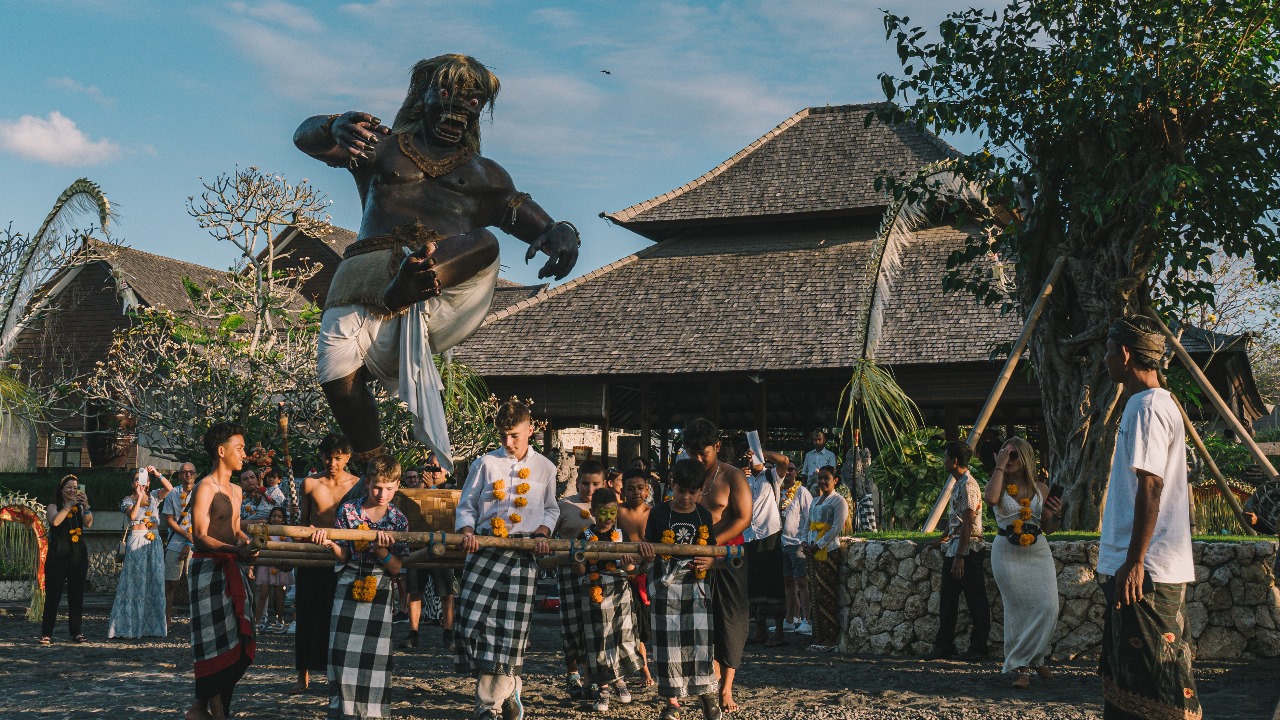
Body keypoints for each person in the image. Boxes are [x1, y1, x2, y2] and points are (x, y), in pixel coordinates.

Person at [295, 54, 580, 469]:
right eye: (447, 93)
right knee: (335, 374)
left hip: (438, 283)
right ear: (422, 97)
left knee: (484, 242)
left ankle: (414, 280)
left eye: (472, 100)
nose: (459, 106)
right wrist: (332, 124)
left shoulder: (485, 174)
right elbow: (306, 139)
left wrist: (562, 232)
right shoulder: (381, 147)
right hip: (365, 275)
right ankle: (373, 459)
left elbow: (528, 218)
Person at [1097, 316, 1199, 719]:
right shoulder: (1160, 404)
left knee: (1153, 682)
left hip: (1146, 567)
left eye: (1107, 350)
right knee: (1139, 677)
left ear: (1124, 353)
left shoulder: (1146, 406)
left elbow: (1151, 485)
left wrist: (1136, 561)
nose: (1105, 359)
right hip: (1150, 564)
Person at [453, 400, 558, 720]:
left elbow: (551, 508)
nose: (508, 443)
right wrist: (468, 531)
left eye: (514, 435)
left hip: (524, 554)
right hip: (484, 550)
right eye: (503, 437)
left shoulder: (546, 468)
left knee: (508, 633)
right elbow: (467, 505)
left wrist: (543, 531)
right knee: (470, 624)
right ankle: (511, 684)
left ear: (530, 429)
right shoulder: (484, 463)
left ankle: (489, 706)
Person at [309, 454, 409, 719]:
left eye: (388, 488)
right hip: (349, 581)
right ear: (367, 483)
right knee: (341, 650)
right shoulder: (349, 510)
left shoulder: (398, 519)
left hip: (381, 585)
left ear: (397, 485)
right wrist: (329, 542)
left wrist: (382, 552)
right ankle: (343, 710)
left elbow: (397, 568)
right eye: (377, 486)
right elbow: (343, 554)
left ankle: (373, 712)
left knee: (375, 658)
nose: (382, 493)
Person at [638, 458, 721, 720]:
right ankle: (672, 702)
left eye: (692, 492)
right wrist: (648, 553)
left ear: (701, 490)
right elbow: (647, 549)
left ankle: (707, 696)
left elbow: (714, 551)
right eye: (681, 490)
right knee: (667, 643)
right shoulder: (658, 513)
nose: (685, 497)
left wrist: (710, 559)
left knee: (700, 643)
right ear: (672, 485)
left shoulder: (703, 515)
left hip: (696, 585)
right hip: (665, 585)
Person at [187, 422, 258, 720]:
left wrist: (249, 544)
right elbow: (200, 534)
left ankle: (199, 708)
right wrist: (235, 550)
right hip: (208, 569)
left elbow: (235, 530)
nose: (244, 454)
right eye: (239, 448)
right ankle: (216, 712)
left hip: (233, 567)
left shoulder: (238, 490)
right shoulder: (205, 486)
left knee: (238, 640)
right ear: (221, 451)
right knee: (213, 642)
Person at [684, 417, 751, 713]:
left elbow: (742, 518)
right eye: (692, 453)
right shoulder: (687, 477)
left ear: (717, 447)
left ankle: (726, 688)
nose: (698, 459)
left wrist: (713, 546)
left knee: (730, 622)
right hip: (694, 557)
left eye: (704, 453)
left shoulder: (733, 476)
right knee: (701, 624)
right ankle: (708, 685)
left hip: (728, 557)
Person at [984, 437, 1062, 688]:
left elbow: (1048, 527)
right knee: (1018, 611)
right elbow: (991, 499)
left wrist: (1058, 515)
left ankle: (1037, 657)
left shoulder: (1040, 487)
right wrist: (999, 465)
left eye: (1014, 455)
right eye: (1004, 453)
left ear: (1026, 457)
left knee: (1049, 606)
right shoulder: (1000, 483)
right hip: (1007, 552)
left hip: (1037, 551)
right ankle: (1023, 668)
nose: (1008, 458)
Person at [294, 433, 362, 693]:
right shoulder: (310, 483)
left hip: (344, 554)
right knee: (307, 614)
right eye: (327, 457)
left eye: (337, 458)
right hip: (313, 554)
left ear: (346, 457)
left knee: (341, 616)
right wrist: (306, 536)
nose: (332, 463)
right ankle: (303, 675)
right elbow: (304, 522)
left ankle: (340, 675)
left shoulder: (358, 484)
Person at [922, 441, 991, 661]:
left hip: (967, 551)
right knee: (948, 601)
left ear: (954, 460)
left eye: (945, 457)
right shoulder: (959, 484)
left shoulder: (969, 486)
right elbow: (957, 521)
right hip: (955, 548)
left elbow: (969, 522)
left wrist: (960, 556)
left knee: (975, 601)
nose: (943, 461)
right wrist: (940, 540)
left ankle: (979, 647)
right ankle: (945, 645)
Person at [575, 487, 641, 712]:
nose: (607, 518)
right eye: (602, 512)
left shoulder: (622, 535)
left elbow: (632, 569)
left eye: (612, 513)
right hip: (593, 590)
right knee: (599, 638)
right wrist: (578, 559)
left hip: (619, 589)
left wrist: (627, 562)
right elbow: (580, 570)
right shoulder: (583, 536)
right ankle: (603, 686)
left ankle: (620, 680)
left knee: (622, 634)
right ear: (593, 511)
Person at [551, 459, 607, 699]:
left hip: (599, 577)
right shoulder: (563, 506)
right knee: (571, 626)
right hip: (568, 574)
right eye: (585, 483)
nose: (590, 489)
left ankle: (591, 678)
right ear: (577, 482)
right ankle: (572, 675)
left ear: (603, 483)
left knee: (594, 628)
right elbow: (550, 539)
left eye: (595, 484)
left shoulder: (610, 506)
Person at [109, 466, 173, 639]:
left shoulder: (154, 497)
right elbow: (132, 516)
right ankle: (129, 626)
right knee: (134, 582)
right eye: (137, 479)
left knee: (154, 580)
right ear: (132, 483)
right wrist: (138, 497)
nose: (140, 482)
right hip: (136, 539)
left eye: (143, 479)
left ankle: (152, 627)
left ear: (148, 482)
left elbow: (170, 489)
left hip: (154, 540)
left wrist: (158, 474)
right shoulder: (127, 500)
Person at [40, 474, 93, 644]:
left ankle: (76, 632)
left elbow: (89, 523)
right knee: (53, 594)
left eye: (75, 487)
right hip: (58, 553)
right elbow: (55, 521)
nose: (72, 490)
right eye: (69, 487)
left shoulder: (79, 507)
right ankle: (47, 633)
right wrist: (68, 506)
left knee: (76, 593)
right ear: (62, 490)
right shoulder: (53, 506)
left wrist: (87, 506)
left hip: (77, 552)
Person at [801, 466, 848, 652]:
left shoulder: (839, 501)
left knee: (827, 593)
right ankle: (819, 635)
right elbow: (807, 525)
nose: (822, 481)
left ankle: (830, 637)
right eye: (820, 478)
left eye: (826, 478)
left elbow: (836, 528)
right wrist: (805, 542)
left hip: (828, 551)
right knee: (815, 593)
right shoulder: (815, 501)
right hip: (812, 551)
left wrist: (818, 545)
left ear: (835, 480)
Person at [618, 468, 655, 688]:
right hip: (624, 574)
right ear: (623, 491)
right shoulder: (617, 512)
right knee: (632, 628)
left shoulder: (654, 512)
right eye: (630, 489)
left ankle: (648, 669)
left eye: (640, 488)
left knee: (645, 628)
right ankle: (644, 670)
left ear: (647, 490)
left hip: (648, 573)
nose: (635, 493)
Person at [743, 450, 785, 646]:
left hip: (770, 533)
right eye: (749, 458)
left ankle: (778, 631)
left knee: (773, 582)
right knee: (754, 583)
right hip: (750, 535)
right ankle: (760, 629)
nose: (751, 461)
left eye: (753, 457)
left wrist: (763, 451)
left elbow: (785, 460)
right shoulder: (745, 479)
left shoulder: (772, 476)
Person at [778, 463, 813, 636]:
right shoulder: (778, 491)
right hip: (783, 542)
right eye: (786, 469)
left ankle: (807, 620)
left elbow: (810, 516)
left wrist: (806, 539)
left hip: (798, 542)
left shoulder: (802, 491)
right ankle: (792, 619)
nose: (788, 472)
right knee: (788, 583)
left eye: (791, 469)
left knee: (802, 582)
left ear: (796, 472)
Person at [253, 507, 294, 634]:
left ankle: (279, 621)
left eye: (280, 517)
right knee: (263, 593)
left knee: (279, 594)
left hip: (280, 567)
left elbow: (290, 548)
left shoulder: (285, 533)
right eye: (274, 516)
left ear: (284, 520)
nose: (276, 519)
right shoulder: (265, 530)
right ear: (270, 518)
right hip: (266, 565)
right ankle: (257, 621)